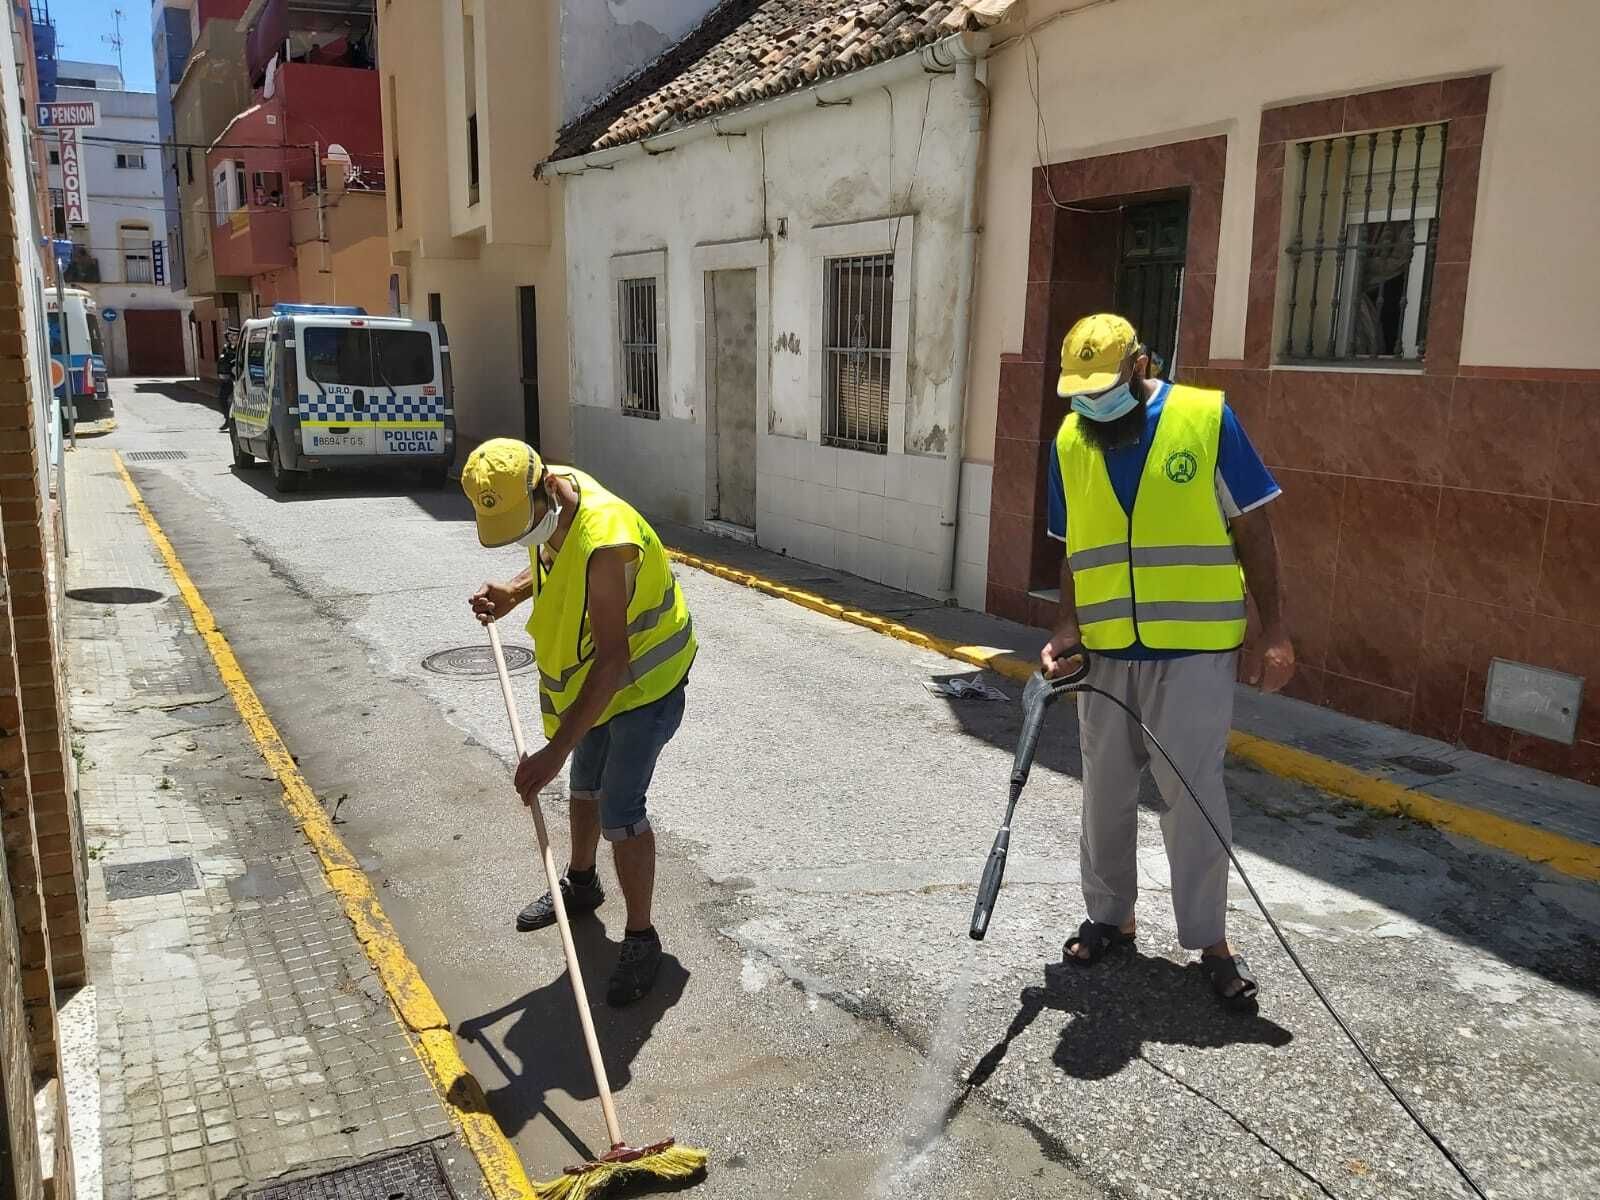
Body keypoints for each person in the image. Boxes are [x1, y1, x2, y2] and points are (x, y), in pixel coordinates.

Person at [1040, 313, 1294, 1013]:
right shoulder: (1069, 439)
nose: (1092, 403)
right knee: (1104, 791)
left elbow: (1254, 525)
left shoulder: (1205, 418)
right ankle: (1110, 917)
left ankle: (1211, 941)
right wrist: (1066, 626)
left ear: (1140, 365)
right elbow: (1072, 546)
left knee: (1194, 796)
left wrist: (1275, 632)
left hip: (1194, 650)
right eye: (1080, 391)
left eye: (1104, 387)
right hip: (1107, 652)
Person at [464, 439, 696, 1006]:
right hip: (599, 685)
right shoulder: (556, 493)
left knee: (620, 807)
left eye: (525, 527)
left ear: (546, 490)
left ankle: (642, 937)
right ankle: (582, 883)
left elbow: (616, 659)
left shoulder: (604, 539)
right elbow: (551, 561)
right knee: (583, 787)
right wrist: (514, 592)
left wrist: (551, 753)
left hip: (643, 685)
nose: (524, 540)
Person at [216, 329, 238, 433]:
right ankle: (227, 419)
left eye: (235, 335)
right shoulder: (226, 348)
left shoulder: (241, 347)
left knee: (234, 401)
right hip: (226, 380)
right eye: (230, 335)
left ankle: (235, 422)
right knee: (222, 399)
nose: (232, 337)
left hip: (236, 379)